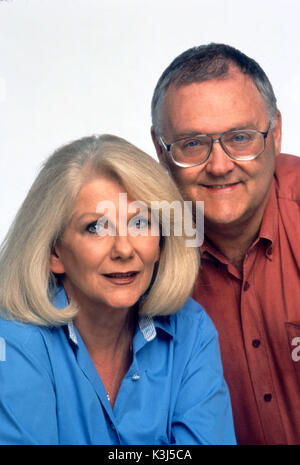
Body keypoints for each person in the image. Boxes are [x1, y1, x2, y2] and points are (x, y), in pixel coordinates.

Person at [0, 134, 235, 445]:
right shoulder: (14, 341)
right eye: (96, 227)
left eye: (140, 223)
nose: (124, 249)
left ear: (162, 242)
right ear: (54, 253)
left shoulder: (190, 330)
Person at [151, 43, 300, 445]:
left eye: (240, 137)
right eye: (193, 144)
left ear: (277, 132)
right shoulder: (137, 250)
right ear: (160, 149)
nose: (219, 166)